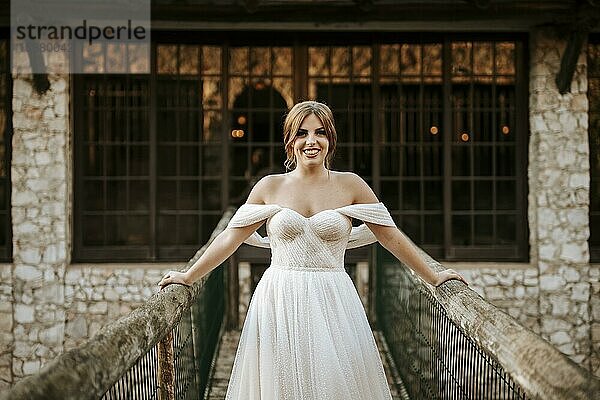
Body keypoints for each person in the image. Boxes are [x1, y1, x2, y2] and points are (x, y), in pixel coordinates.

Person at [159, 100, 467, 400]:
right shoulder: (269, 186)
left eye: (320, 132)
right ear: (290, 140)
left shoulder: (352, 185)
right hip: (278, 297)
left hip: (334, 298)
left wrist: (434, 276)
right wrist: (188, 276)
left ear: (331, 140)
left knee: (333, 383)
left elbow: (390, 237)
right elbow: (230, 238)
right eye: (302, 133)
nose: (312, 141)